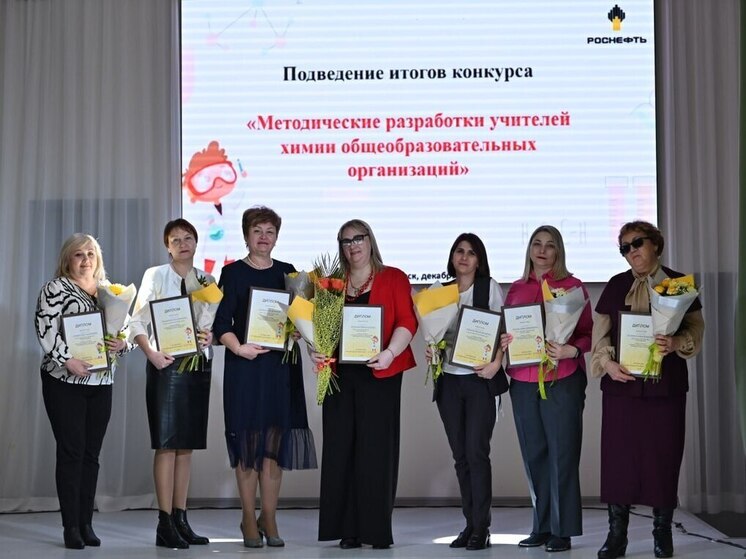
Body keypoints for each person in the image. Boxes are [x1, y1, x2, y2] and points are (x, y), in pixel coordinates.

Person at [591, 221, 704, 559]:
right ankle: (617, 536)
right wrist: (608, 364)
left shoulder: (678, 284)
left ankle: (662, 533)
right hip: (622, 389)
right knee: (618, 462)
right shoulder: (616, 285)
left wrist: (676, 342)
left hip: (665, 388)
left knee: (663, 458)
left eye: (637, 243)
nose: (631, 252)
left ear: (655, 243)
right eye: (624, 248)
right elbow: (600, 336)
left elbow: (696, 331)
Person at [212, 206, 317, 549]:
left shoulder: (288, 273)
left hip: (279, 371)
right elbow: (221, 324)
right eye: (257, 231)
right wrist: (238, 348)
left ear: (277, 237)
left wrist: (299, 331)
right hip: (245, 369)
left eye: (270, 231)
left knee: (273, 447)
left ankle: (269, 517)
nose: (263, 237)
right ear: (246, 235)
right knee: (247, 446)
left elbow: (299, 320)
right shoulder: (231, 273)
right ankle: (248, 517)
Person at [311, 219, 418, 550]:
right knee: (340, 449)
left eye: (358, 238)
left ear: (370, 241)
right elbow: (319, 329)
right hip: (340, 376)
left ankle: (376, 530)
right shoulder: (331, 284)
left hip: (380, 373)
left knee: (376, 451)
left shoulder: (394, 277)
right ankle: (348, 530)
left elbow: (407, 321)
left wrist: (390, 353)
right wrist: (316, 350)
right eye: (346, 241)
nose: (353, 245)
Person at [500, 225, 592, 553]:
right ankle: (541, 526)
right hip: (523, 381)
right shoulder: (516, 289)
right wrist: (505, 340)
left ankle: (562, 530)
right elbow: (506, 330)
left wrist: (572, 350)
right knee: (534, 455)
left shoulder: (573, 287)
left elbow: (588, 333)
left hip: (562, 379)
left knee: (562, 455)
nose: (542, 250)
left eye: (549, 245)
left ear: (558, 251)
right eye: (536, 244)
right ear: (529, 249)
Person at [34, 233, 129, 549]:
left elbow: (126, 328)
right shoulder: (55, 289)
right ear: (67, 259)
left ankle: (87, 523)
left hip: (101, 383)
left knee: (91, 455)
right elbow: (45, 327)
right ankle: (71, 526)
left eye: (90, 253)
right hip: (64, 382)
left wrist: (122, 343)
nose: (86, 259)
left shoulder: (109, 291)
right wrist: (67, 360)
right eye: (78, 254)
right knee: (71, 452)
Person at [129, 219, 214, 549]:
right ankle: (164, 523)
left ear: (196, 242)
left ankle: (181, 519)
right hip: (164, 363)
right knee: (166, 444)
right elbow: (137, 320)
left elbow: (210, 324)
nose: (182, 243)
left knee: (186, 446)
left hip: (197, 366)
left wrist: (208, 336)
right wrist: (150, 353)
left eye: (187, 238)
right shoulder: (155, 276)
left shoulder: (207, 280)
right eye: (175, 239)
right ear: (167, 246)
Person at [426, 233, 505, 550]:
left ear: (479, 259)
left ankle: (482, 527)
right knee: (460, 456)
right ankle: (470, 524)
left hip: (480, 380)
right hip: (448, 380)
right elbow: (433, 335)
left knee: (476, 452)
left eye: (471, 252)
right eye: (459, 251)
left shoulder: (489, 288)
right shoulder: (439, 291)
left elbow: (503, 332)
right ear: (452, 256)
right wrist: (431, 350)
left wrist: (496, 364)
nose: (464, 257)